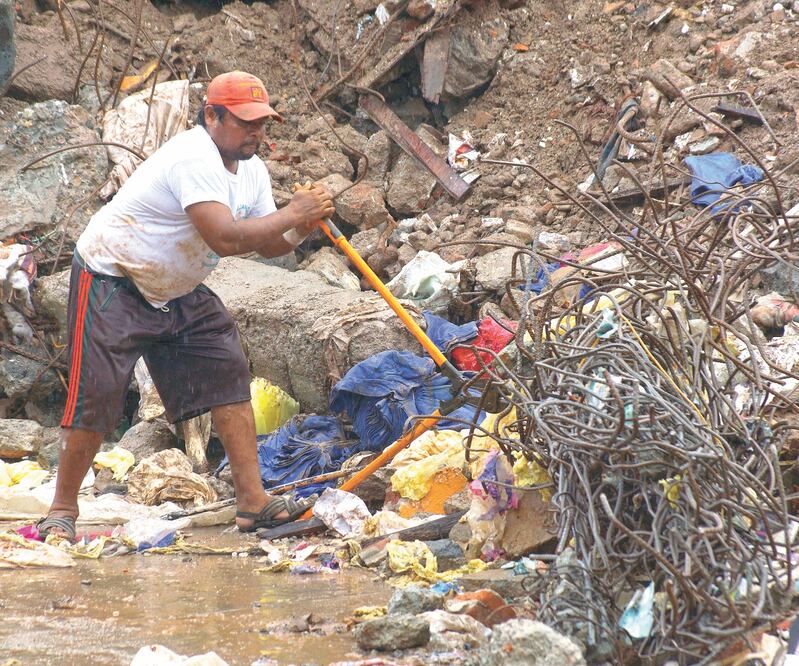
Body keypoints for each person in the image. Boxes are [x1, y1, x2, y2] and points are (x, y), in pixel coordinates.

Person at [38, 71, 335, 540]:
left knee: (227, 369)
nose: (256, 133)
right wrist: (294, 212)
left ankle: (252, 503)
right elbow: (225, 236)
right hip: (113, 277)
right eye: (245, 123)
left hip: (174, 288)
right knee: (96, 394)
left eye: (263, 123)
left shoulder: (252, 170)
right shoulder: (192, 157)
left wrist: (303, 226)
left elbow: (270, 244)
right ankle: (62, 509)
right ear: (212, 116)